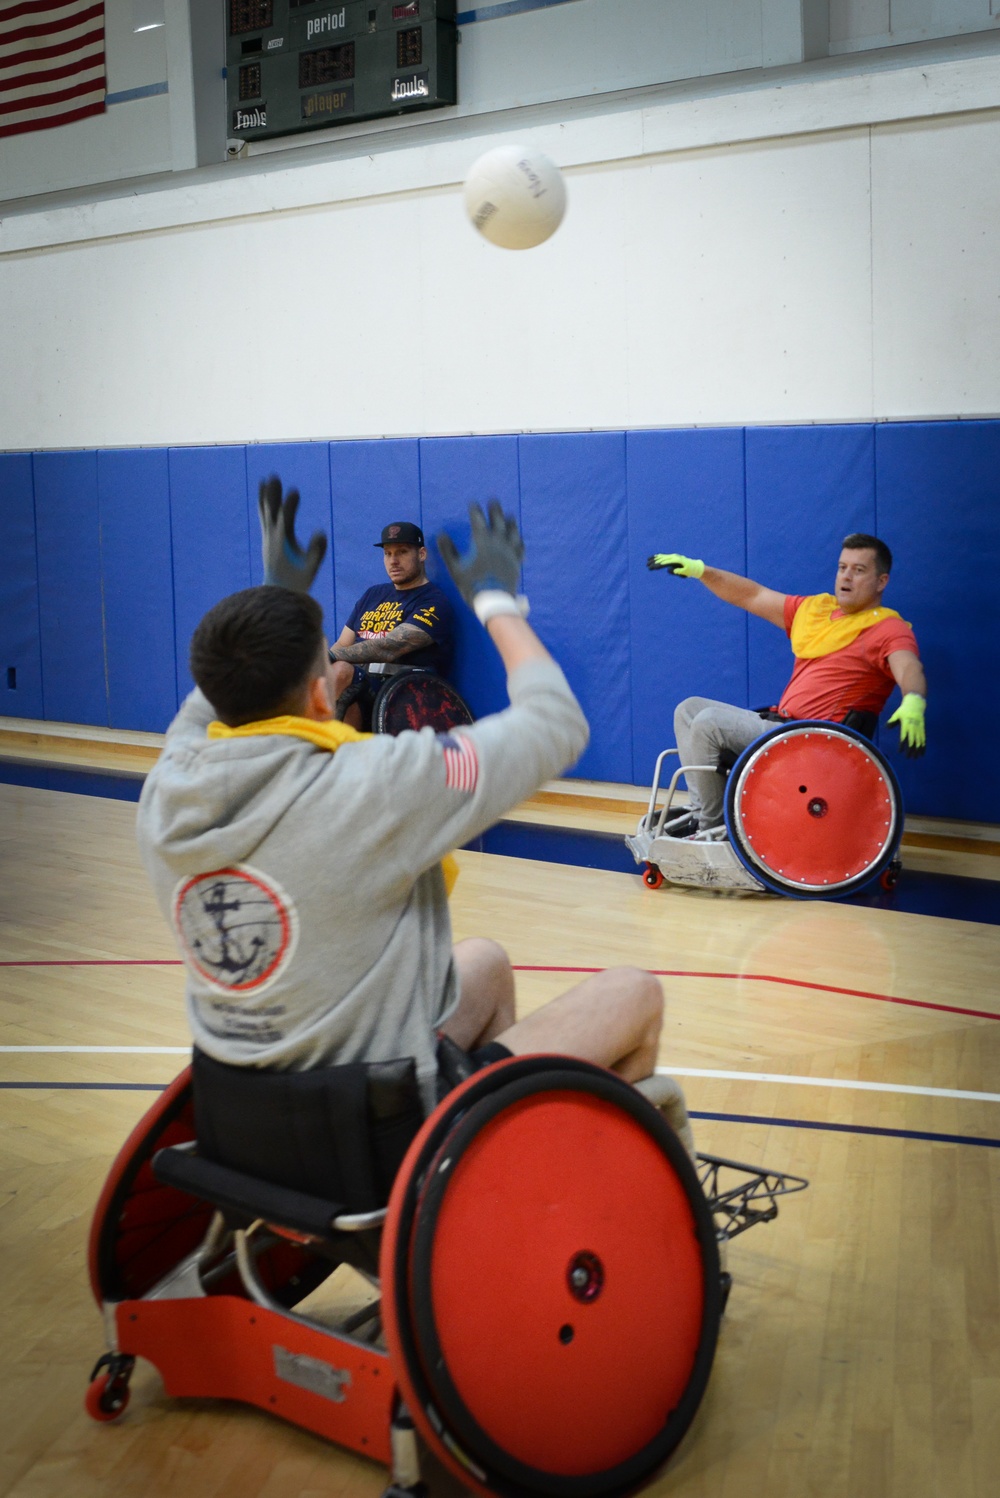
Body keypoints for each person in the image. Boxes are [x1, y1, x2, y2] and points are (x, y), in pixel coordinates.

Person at [136, 483, 693, 1151]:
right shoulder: (377, 783)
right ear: (322, 692)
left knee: (482, 962)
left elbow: (208, 705)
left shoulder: (169, 782)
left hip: (239, 1112)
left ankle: (500, 1147)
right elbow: (554, 723)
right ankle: (515, 1171)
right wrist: (497, 602)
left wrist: (271, 605)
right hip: (373, 1125)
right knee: (633, 993)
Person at [647, 534, 927, 838]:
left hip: (815, 742)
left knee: (708, 723)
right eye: (842, 567)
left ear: (881, 581)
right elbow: (751, 595)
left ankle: (711, 829)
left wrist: (913, 700)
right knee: (688, 710)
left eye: (858, 570)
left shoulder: (888, 628)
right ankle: (703, 814)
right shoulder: (816, 610)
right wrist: (701, 571)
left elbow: (909, 665)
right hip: (782, 727)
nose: (846, 576)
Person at [326, 516, 456, 726]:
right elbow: (343, 643)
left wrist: (327, 657)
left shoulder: (434, 602)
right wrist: (321, 666)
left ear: (421, 554)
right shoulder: (373, 594)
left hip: (403, 691)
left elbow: (390, 647)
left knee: (339, 670)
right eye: (388, 554)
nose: (393, 561)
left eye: (402, 552)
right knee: (324, 676)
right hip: (361, 683)